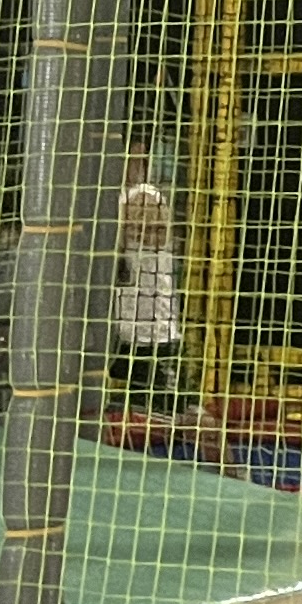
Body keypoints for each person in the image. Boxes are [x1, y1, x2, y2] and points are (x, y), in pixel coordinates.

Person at [111, 145, 187, 431]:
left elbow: (145, 233)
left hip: (155, 336)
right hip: (119, 335)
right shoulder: (111, 201)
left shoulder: (145, 196)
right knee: (119, 421)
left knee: (174, 418)